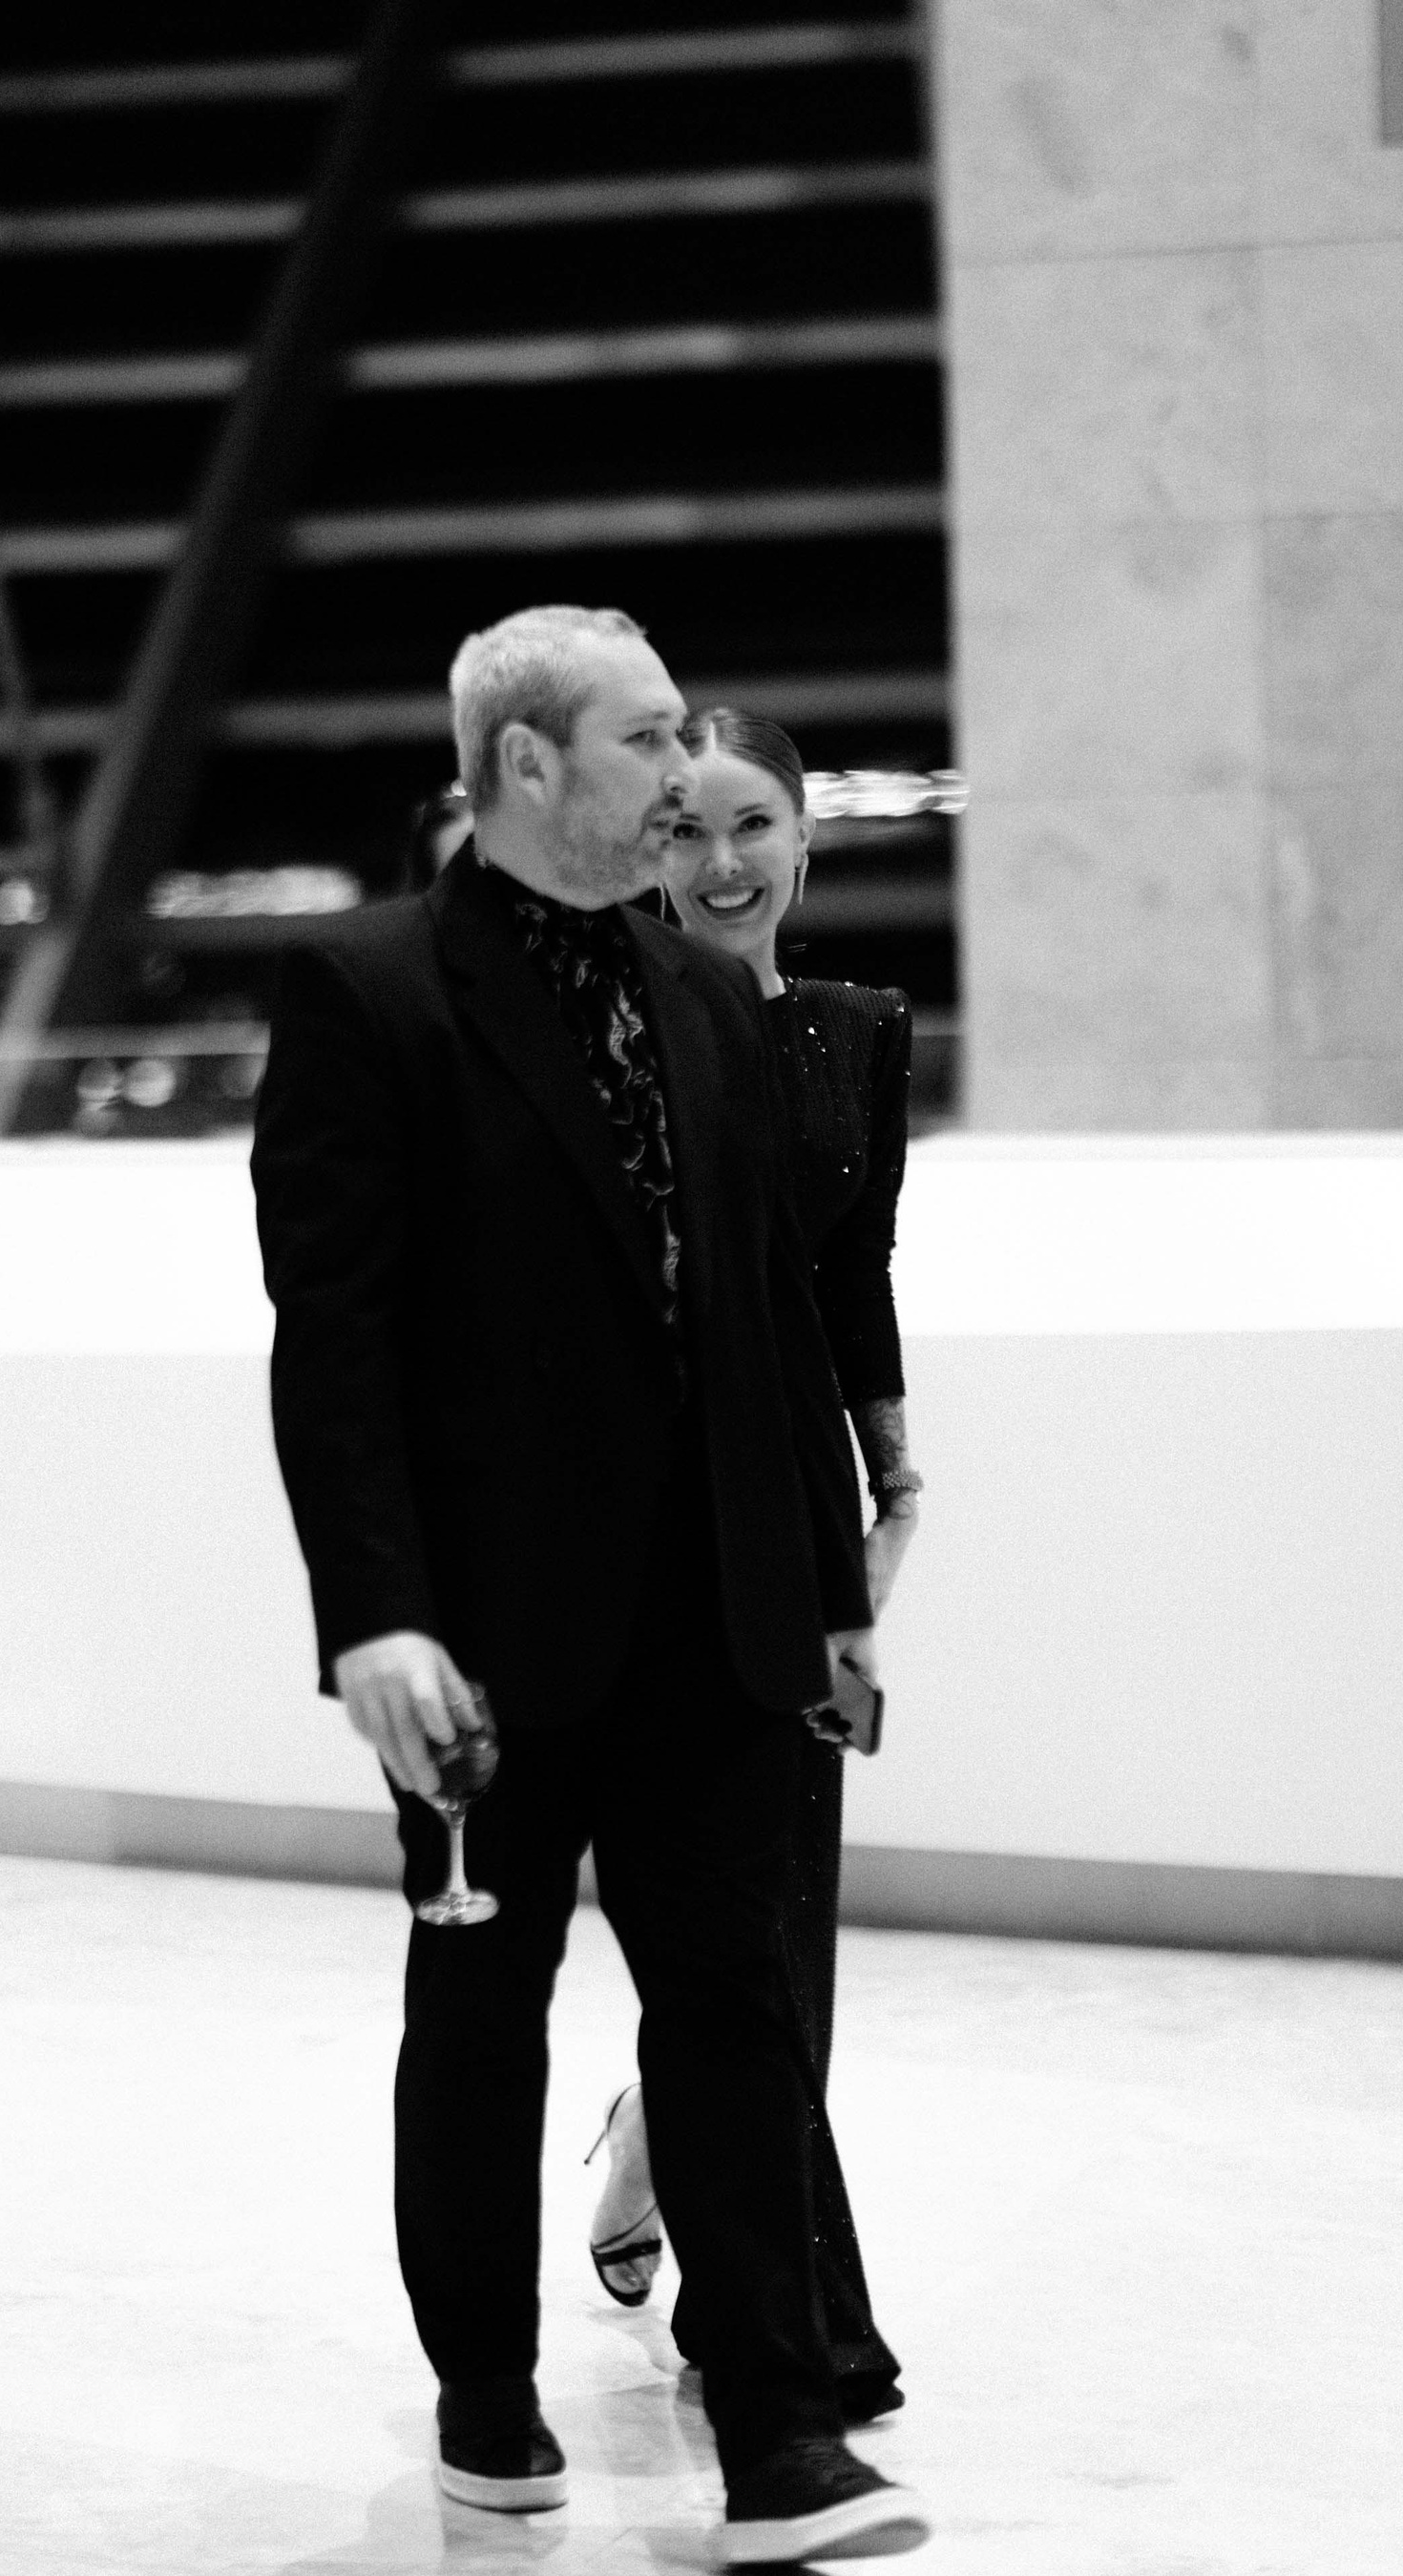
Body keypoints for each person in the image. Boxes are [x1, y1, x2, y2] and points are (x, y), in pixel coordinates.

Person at [250, 604, 928, 2571]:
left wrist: (828, 1590)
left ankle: (785, 2434)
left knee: (734, 2004)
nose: (677, 774)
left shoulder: (701, 995)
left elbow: (766, 1319)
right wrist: (373, 1614)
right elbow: (335, 1342)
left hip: (716, 1614)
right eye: (645, 742)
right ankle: (486, 2383)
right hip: (485, 1632)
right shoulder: (372, 991)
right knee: (487, 2010)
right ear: (529, 765)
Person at [588, 708, 920, 2422]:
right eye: (686, 830)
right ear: (644, 847)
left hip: (804, 1520)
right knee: (728, 1929)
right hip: (651, 1528)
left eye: (753, 827)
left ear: (804, 839)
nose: (722, 865)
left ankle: (663, 2144)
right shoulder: (610, 1030)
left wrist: (894, 1472)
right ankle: (785, 2322)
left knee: (782, 1923)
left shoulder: (858, 1032)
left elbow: (855, 1273)